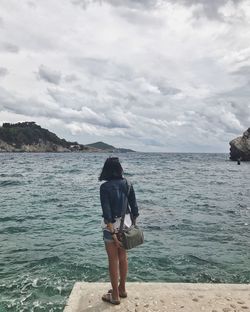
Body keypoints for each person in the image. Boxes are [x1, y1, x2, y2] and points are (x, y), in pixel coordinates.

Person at [99, 157, 139, 305]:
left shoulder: (105, 187)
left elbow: (107, 215)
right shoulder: (128, 183)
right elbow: (135, 209)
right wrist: (132, 226)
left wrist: (113, 234)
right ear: (120, 169)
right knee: (123, 258)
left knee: (112, 261)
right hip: (126, 224)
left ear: (106, 170)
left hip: (112, 229)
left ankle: (115, 295)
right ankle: (122, 289)